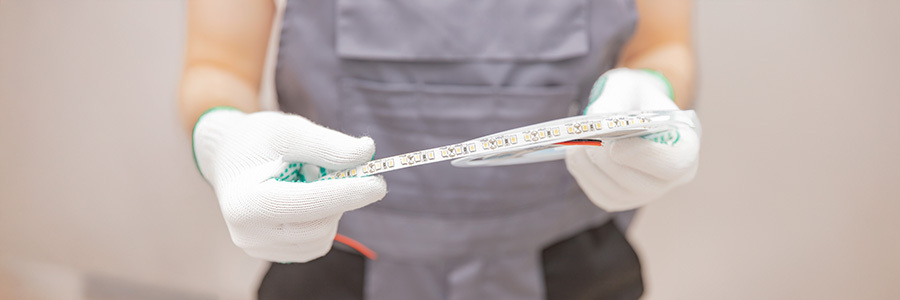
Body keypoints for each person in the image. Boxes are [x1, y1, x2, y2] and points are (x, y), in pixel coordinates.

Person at [180, 0, 700, 299]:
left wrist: (651, 92)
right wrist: (222, 137)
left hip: (570, 265)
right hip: (337, 264)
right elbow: (218, 66)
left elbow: (661, 43)